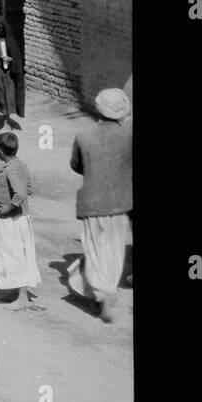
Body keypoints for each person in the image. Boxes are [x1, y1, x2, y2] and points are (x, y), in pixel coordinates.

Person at [67, 88, 133, 324]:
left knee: (94, 250)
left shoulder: (83, 136)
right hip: (120, 201)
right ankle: (108, 289)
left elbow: (76, 165)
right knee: (115, 251)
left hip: (92, 202)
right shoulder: (128, 134)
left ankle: (101, 290)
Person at [0, 132, 42, 311]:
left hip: (10, 220)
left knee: (13, 256)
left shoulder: (10, 169)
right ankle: (16, 292)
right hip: (21, 219)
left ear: (0, 151)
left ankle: (22, 298)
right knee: (18, 255)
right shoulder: (20, 165)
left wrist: (9, 206)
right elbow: (29, 189)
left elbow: (21, 192)